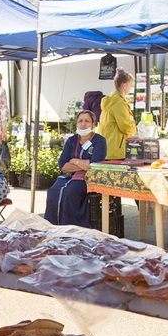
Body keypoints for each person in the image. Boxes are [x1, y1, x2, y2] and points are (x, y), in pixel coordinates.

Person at [44, 110, 108, 228]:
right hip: (68, 176)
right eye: (80, 121)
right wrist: (83, 164)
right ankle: (52, 227)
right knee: (53, 191)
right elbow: (63, 166)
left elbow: (94, 165)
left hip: (87, 179)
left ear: (93, 124)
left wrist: (74, 160)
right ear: (76, 124)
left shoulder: (99, 141)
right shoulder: (72, 141)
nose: (83, 124)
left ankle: (70, 228)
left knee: (69, 192)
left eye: (87, 121)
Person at [98, 69, 137, 237]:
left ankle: (110, 225)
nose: (131, 88)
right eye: (130, 85)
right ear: (124, 85)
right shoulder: (119, 102)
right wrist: (135, 127)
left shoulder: (110, 100)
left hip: (108, 148)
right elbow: (126, 126)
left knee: (110, 190)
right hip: (117, 149)